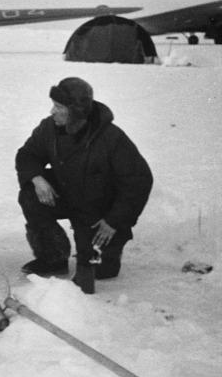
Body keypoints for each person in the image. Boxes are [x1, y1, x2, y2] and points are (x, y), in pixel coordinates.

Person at [15, 77, 153, 293]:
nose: (52, 111)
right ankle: (53, 257)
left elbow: (139, 180)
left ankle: (107, 253)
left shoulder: (111, 137)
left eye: (59, 106)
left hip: (100, 214)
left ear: (75, 111)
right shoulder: (49, 128)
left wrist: (114, 220)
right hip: (69, 194)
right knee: (30, 195)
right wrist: (37, 178)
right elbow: (27, 155)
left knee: (97, 272)